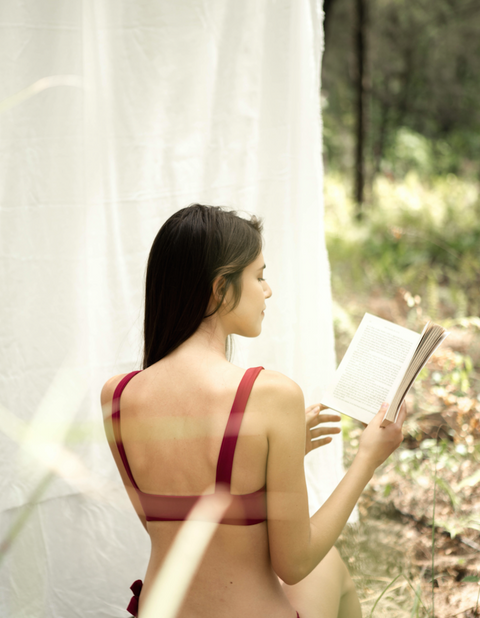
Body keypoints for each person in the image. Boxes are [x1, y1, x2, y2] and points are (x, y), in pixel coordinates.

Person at [101, 204, 406, 618]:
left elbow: (177, 531)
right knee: (329, 567)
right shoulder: (270, 395)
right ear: (220, 288)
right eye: (259, 276)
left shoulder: (117, 397)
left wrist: (268, 461)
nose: (268, 290)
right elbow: (295, 563)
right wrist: (368, 458)